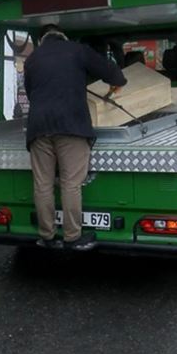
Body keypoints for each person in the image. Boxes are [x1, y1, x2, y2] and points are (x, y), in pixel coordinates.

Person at [24, 25, 127, 251]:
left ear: (42, 41)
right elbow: (116, 76)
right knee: (71, 184)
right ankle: (72, 237)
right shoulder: (77, 50)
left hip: (38, 127)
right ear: (64, 36)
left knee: (42, 184)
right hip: (71, 126)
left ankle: (47, 236)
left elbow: (31, 93)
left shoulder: (32, 59)